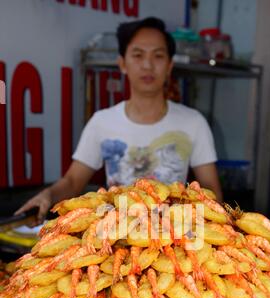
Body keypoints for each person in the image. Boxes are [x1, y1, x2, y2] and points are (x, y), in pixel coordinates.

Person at [16, 17, 223, 225]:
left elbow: (211, 192)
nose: (148, 65)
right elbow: (73, 181)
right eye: (138, 55)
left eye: (158, 56)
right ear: (122, 64)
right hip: (116, 237)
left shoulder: (193, 123)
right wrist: (48, 196)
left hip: (175, 235)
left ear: (169, 66)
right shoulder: (102, 122)